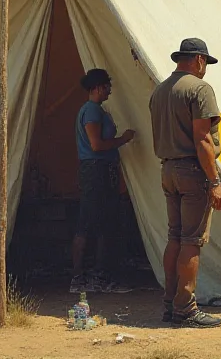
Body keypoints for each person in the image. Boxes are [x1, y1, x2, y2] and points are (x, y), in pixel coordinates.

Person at [149, 38, 221, 328]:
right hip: (192, 171)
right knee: (191, 241)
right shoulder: (199, 88)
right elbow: (203, 138)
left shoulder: (160, 90)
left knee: (175, 237)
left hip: (167, 169)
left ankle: (170, 304)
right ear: (199, 60)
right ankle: (185, 307)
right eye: (205, 63)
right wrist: (214, 181)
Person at [71, 68, 136, 294]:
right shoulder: (91, 111)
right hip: (95, 170)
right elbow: (96, 145)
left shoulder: (95, 110)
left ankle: (92, 276)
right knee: (93, 223)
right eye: (107, 86)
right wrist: (123, 140)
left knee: (99, 222)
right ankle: (88, 277)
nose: (109, 90)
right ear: (98, 87)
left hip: (99, 170)